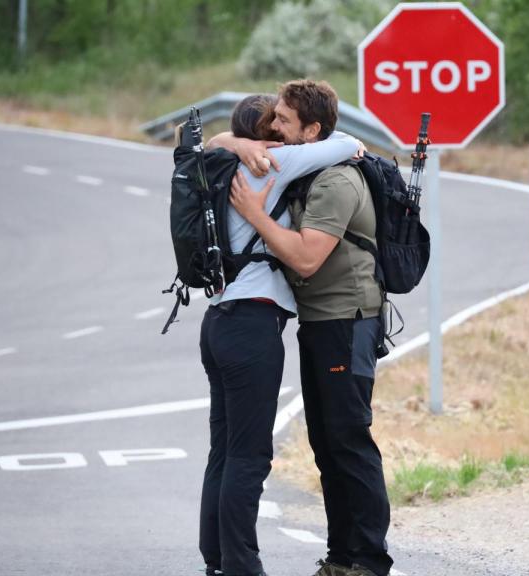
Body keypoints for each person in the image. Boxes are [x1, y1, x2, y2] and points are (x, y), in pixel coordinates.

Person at [229, 79, 394, 576]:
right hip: (322, 322)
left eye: (282, 119)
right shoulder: (311, 169)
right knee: (326, 443)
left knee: (348, 439)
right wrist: (238, 142)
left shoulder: (335, 181)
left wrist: (256, 216)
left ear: (313, 129)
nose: (272, 126)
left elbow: (305, 258)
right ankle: (342, 557)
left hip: (347, 321)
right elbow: (214, 143)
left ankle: (368, 560)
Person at [196, 93, 364, 576]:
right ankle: (242, 567)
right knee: (249, 456)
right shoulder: (272, 162)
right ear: (263, 132)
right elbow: (346, 142)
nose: (280, 128)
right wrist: (251, 143)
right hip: (252, 323)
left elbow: (213, 140)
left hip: (218, 319)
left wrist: (227, 138)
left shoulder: (217, 162)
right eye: (275, 121)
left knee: (224, 451)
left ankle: (218, 561)